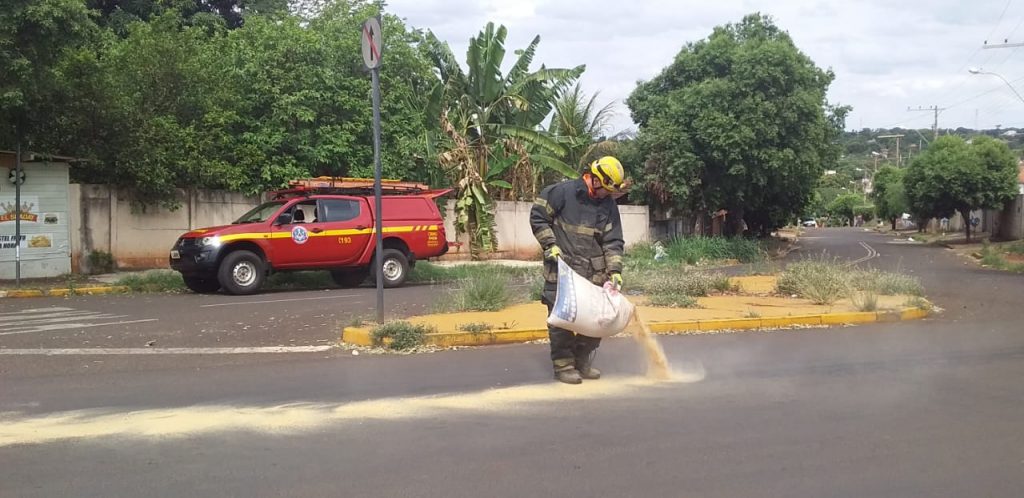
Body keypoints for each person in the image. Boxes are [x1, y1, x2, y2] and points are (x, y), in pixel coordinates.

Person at [530, 156, 626, 384]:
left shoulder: (608, 205)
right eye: (605, 189)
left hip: (593, 274)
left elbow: (613, 240)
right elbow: (538, 217)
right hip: (561, 271)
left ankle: (582, 361)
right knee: (561, 320)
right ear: (594, 179)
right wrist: (550, 245)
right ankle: (563, 367)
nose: (607, 195)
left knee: (598, 320)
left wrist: (615, 270)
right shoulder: (562, 192)